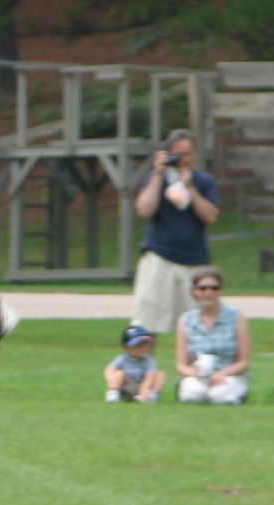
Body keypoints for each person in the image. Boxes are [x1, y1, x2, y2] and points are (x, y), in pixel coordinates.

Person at [132, 128, 220, 337]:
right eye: (176, 154)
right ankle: (143, 367)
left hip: (194, 260)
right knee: (147, 323)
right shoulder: (155, 179)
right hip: (159, 256)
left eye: (187, 154)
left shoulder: (204, 181)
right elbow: (144, 210)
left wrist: (189, 186)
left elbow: (210, 217)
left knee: (197, 326)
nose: (182, 159)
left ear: (195, 155)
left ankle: (196, 369)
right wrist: (157, 175)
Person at [175, 266, 250, 405]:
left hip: (228, 374)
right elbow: (181, 365)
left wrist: (221, 374)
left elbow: (244, 362)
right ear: (194, 291)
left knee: (219, 397)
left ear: (220, 290)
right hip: (198, 376)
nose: (208, 292)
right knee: (193, 395)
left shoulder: (237, 316)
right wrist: (197, 374)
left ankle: (237, 393)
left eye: (213, 288)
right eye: (202, 288)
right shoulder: (186, 320)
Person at [104, 325, 167, 403]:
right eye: (138, 346)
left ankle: (152, 396)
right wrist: (112, 382)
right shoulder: (122, 359)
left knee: (160, 374)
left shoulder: (148, 360)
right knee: (119, 373)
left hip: (142, 383)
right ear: (126, 348)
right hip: (127, 385)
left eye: (145, 345)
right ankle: (114, 394)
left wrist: (144, 389)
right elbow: (109, 370)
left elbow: (149, 376)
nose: (143, 348)